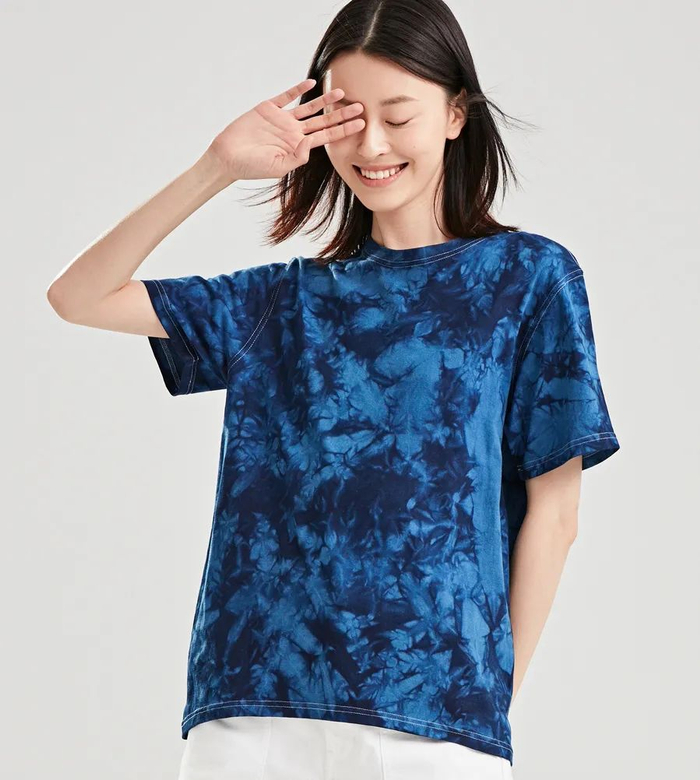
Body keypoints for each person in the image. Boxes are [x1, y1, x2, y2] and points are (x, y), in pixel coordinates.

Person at [46, 1, 621, 777]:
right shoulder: (281, 301)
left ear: (456, 114)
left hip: (430, 722)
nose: (372, 145)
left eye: (399, 116)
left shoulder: (527, 280)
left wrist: (486, 703)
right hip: (251, 714)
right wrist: (216, 168)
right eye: (349, 118)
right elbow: (78, 296)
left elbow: (556, 515)